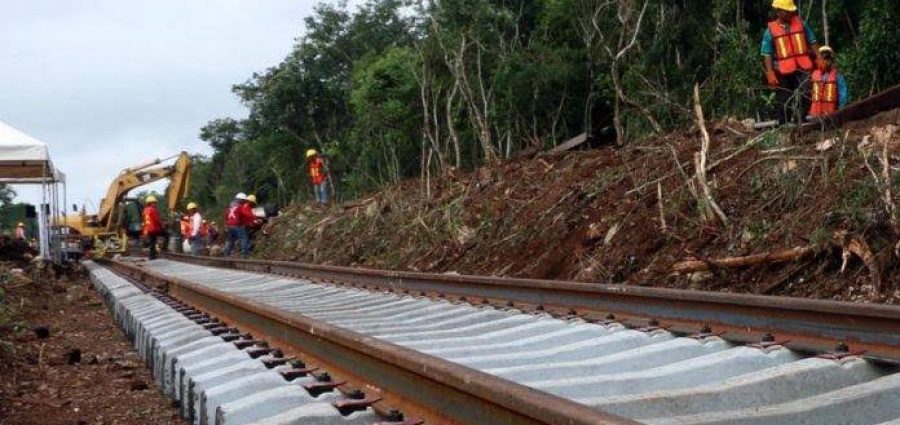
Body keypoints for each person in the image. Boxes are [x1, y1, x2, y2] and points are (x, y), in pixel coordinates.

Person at [761, 0, 821, 125]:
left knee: (808, 90)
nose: (790, 12)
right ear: (778, 12)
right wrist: (770, 72)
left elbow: (813, 41)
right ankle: (784, 125)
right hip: (782, 69)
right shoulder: (770, 31)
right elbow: (767, 54)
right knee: (783, 98)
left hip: (802, 65)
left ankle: (801, 119)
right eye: (787, 11)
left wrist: (819, 58)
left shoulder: (801, 24)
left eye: (790, 10)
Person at [809, 46, 849, 118]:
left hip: (831, 114)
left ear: (831, 60)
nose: (826, 62)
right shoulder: (813, 75)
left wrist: (841, 109)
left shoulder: (837, 76)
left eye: (828, 59)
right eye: (823, 59)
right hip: (815, 115)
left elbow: (843, 94)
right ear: (819, 60)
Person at [223, 192, 256, 257]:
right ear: (240, 199)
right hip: (237, 226)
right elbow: (247, 215)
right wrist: (255, 218)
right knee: (244, 238)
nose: (244, 202)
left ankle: (226, 254)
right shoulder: (240, 207)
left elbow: (226, 215)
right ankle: (245, 254)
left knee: (231, 240)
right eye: (244, 200)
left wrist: (227, 224)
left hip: (229, 226)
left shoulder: (230, 206)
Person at [141, 195, 164, 260]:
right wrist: (162, 226)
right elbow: (157, 219)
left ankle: (152, 256)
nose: (155, 204)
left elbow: (144, 220)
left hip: (148, 229)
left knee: (152, 242)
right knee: (166, 235)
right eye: (154, 203)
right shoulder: (153, 210)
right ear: (150, 203)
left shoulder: (145, 210)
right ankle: (164, 250)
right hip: (154, 228)